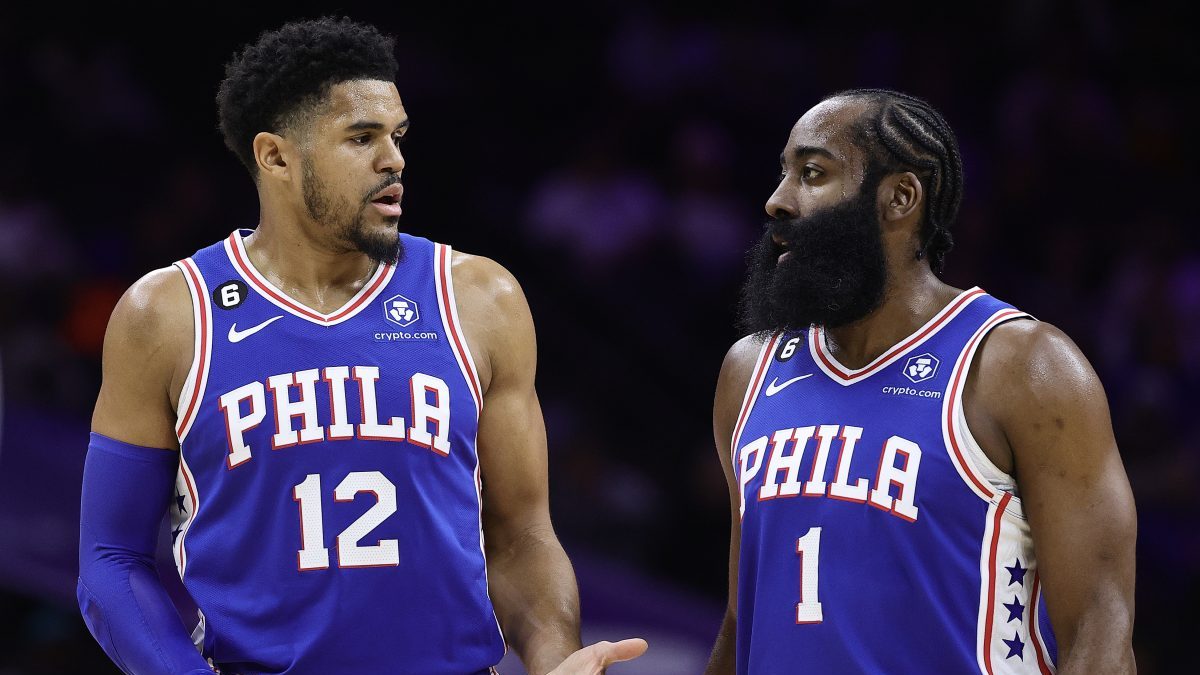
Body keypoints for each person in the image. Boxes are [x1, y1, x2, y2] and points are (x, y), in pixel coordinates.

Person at [77, 17, 645, 675]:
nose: (394, 159)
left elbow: (521, 537)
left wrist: (554, 660)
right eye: (361, 137)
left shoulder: (479, 299)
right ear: (276, 156)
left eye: (397, 136)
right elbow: (110, 559)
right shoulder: (170, 314)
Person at [704, 89, 1136, 673]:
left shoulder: (1021, 366)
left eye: (812, 173)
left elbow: (1100, 632)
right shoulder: (750, 370)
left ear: (900, 198)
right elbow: (744, 618)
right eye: (783, 174)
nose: (777, 201)